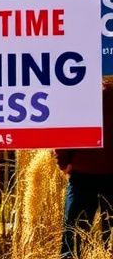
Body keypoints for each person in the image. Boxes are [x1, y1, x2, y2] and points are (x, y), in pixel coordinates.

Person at [56, 79, 113, 259]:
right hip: (92, 172)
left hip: (82, 173)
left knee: (73, 238)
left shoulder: (80, 93)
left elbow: (63, 128)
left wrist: (63, 162)